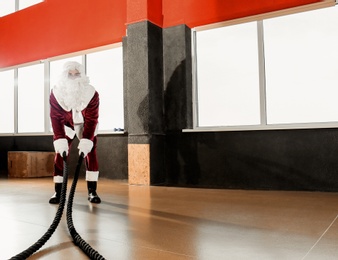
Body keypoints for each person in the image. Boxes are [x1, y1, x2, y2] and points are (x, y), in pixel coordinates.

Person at [49, 61, 101, 204]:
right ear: (64, 75)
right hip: (66, 125)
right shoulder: (56, 93)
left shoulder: (92, 93)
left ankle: (92, 191)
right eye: (70, 74)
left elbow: (92, 119)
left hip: (85, 125)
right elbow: (55, 117)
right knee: (60, 155)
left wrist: (87, 140)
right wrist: (59, 139)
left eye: (77, 74)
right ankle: (58, 192)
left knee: (91, 153)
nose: (73, 77)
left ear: (82, 75)